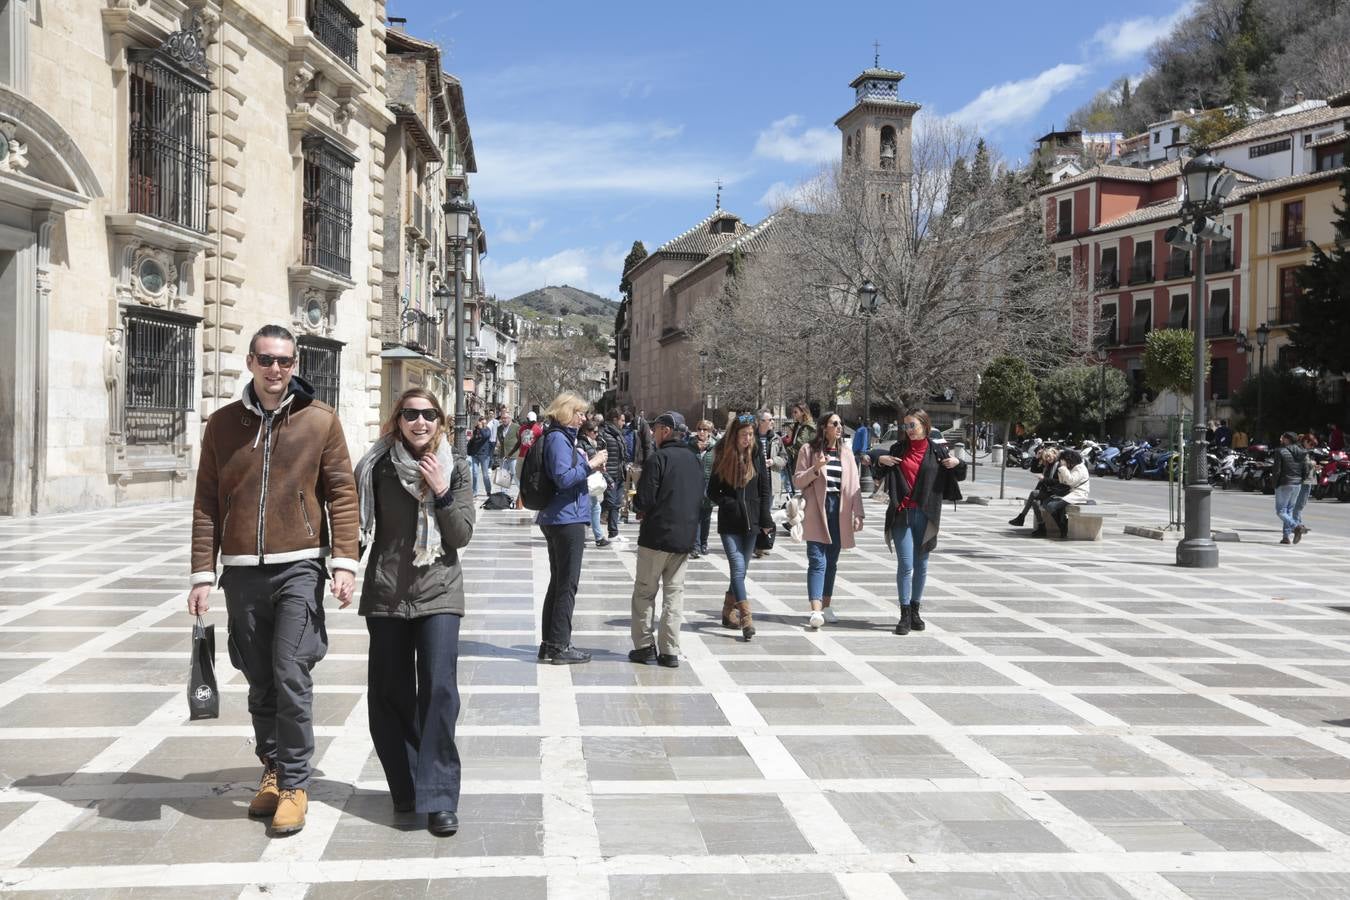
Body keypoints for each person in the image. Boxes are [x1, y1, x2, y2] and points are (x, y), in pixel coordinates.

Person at [187, 324, 359, 836]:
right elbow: (205, 504)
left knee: (290, 671)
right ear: (250, 362)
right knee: (259, 676)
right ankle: (273, 766)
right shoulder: (221, 425)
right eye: (266, 360)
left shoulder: (319, 421)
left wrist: (344, 563)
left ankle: (295, 783)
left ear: (295, 363)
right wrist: (201, 573)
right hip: (240, 572)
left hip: (300, 565)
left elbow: (342, 494)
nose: (276, 370)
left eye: (284, 361)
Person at [354, 388, 474, 837]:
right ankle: (406, 786)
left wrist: (442, 491)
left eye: (428, 414)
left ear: (440, 420)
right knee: (389, 695)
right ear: (398, 419)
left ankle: (440, 797)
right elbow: (356, 523)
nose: (419, 422)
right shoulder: (377, 466)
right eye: (410, 414)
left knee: (440, 691)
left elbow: (460, 535)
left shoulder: (456, 466)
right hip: (387, 593)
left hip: (439, 591)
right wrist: (343, 567)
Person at [871, 408, 965, 636]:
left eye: (912, 425)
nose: (908, 430)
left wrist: (957, 463)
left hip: (926, 512)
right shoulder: (898, 448)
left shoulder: (938, 450)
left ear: (925, 425)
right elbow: (876, 467)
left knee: (921, 563)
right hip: (901, 512)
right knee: (906, 564)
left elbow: (959, 475)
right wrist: (879, 459)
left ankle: (915, 610)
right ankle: (903, 613)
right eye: (906, 426)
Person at [535, 392, 608, 663]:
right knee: (567, 585)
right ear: (566, 412)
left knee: (559, 583)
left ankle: (550, 643)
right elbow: (564, 478)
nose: (583, 418)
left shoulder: (561, 437)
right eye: (579, 413)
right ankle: (559, 646)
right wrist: (591, 465)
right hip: (566, 519)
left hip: (563, 516)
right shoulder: (557, 439)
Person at [628, 412, 703, 668]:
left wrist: (635, 501)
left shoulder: (658, 459)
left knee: (645, 592)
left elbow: (645, 500)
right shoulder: (694, 460)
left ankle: (644, 646)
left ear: (666, 431)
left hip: (656, 537)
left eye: (656, 429)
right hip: (684, 539)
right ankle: (670, 650)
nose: (652, 433)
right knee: (674, 594)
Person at [794, 412, 864, 629]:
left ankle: (825, 606)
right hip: (816, 508)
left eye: (841, 423)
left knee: (832, 561)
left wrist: (858, 513)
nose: (839, 427)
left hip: (839, 509)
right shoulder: (808, 450)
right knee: (817, 559)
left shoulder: (846, 453)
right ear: (824, 427)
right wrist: (816, 469)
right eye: (835, 423)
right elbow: (797, 480)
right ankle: (815, 610)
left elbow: (854, 486)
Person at [707, 413, 773, 640]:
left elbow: (765, 489)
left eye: (751, 435)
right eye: (744, 435)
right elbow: (712, 490)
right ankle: (746, 617)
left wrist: (766, 520)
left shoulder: (756, 455)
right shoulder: (723, 456)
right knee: (737, 568)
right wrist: (728, 503)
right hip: (730, 522)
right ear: (734, 435)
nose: (748, 439)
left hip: (752, 522)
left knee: (741, 572)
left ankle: (727, 611)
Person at [753, 410, 788, 556]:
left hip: (770, 482)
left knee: (766, 513)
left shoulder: (776, 438)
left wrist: (773, 461)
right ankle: (755, 544)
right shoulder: (751, 437)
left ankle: (762, 544)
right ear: (761, 422)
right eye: (770, 419)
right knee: (755, 513)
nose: (773, 422)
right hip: (754, 482)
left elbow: (784, 458)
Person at [1007, 447, 1062, 535]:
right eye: (1046, 457)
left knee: (1033, 493)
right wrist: (1036, 458)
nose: (1048, 458)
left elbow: (1058, 482)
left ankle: (1022, 517)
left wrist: (1044, 479)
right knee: (1034, 502)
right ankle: (1041, 527)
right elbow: (1034, 470)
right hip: (1047, 491)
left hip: (1055, 493)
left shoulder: (1059, 465)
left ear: (1055, 455)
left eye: (1049, 456)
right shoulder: (1048, 464)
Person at [1041, 448, 1090, 538]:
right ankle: (1062, 525)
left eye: (1063, 460)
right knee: (1045, 503)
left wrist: (1063, 468)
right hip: (1069, 492)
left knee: (1052, 505)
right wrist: (1062, 469)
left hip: (1078, 494)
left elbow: (1071, 481)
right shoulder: (1071, 467)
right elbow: (1063, 482)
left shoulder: (1080, 468)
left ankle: (1064, 526)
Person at [578, 420, 610, 547]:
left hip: (591, 477)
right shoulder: (581, 444)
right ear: (587, 431)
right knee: (592, 508)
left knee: (593, 508)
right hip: (586, 479)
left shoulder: (591, 443)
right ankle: (597, 537)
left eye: (598, 432)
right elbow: (583, 463)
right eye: (594, 432)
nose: (597, 434)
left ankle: (596, 537)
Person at [1272, 431, 1307, 545]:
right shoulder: (1301, 452)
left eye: (1283, 437)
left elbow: (1277, 470)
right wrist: (1300, 480)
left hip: (1284, 483)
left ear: (1287, 439)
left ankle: (1296, 527)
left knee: (1280, 511)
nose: (1281, 439)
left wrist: (1274, 484)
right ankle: (1286, 537)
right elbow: (1305, 469)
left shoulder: (1280, 451)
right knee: (1289, 510)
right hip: (1297, 483)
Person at [599, 410, 629, 542]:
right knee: (609, 502)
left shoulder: (619, 434)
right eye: (622, 420)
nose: (624, 423)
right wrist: (604, 473)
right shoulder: (603, 433)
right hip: (609, 474)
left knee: (616, 503)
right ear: (615, 420)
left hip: (620, 473)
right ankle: (590, 518)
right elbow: (599, 454)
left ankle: (613, 532)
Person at [688, 419, 716, 557]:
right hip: (693, 484)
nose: (701, 432)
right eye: (699, 429)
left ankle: (704, 543)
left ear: (710, 432)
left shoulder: (716, 447)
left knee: (706, 517)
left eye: (705, 429)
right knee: (695, 517)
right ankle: (696, 546)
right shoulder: (689, 445)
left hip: (710, 486)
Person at [781, 402, 817, 498]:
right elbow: (792, 441)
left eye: (795, 412)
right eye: (793, 412)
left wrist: (785, 452)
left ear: (803, 412)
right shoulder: (798, 425)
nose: (793, 414)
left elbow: (800, 445)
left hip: (805, 460)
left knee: (801, 485)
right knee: (793, 483)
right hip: (796, 459)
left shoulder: (808, 427)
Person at [513, 412, 544, 510]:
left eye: (533, 422)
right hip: (521, 455)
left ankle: (525, 495)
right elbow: (519, 442)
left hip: (531, 457)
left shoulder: (538, 430)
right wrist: (510, 453)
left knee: (528, 475)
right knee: (517, 475)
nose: (532, 424)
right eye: (530, 421)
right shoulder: (522, 428)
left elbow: (540, 443)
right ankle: (522, 492)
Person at [1292, 432, 1317, 543]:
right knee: (1299, 505)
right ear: (1306, 441)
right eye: (1311, 445)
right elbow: (1303, 464)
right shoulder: (1301, 451)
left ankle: (1298, 525)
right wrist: (1313, 463)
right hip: (1304, 481)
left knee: (1299, 505)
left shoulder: (1302, 450)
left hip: (1305, 480)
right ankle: (1297, 527)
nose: (1311, 447)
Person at [466, 416, 493, 497]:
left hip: (484, 455)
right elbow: (473, 441)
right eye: (481, 422)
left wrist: (481, 428)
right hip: (475, 455)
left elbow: (485, 436)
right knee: (474, 473)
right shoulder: (475, 431)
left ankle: (488, 490)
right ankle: (474, 491)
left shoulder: (487, 430)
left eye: (484, 423)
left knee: (485, 475)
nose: (483, 424)